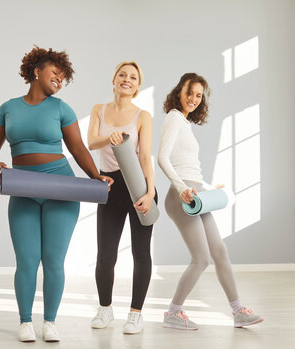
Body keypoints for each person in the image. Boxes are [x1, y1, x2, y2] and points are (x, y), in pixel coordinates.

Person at [0, 46, 113, 342]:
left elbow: (78, 148)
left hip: (60, 188)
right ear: (37, 71)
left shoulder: (61, 108)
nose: (60, 79)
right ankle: (26, 322)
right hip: (22, 188)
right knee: (27, 261)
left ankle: (50, 322)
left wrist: (96, 176)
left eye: (64, 77)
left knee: (53, 260)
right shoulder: (8, 107)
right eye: (55, 73)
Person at [158, 72, 263, 330]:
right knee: (201, 259)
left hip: (198, 195)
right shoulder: (173, 117)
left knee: (220, 252)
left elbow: (190, 168)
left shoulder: (186, 123)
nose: (193, 99)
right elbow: (162, 158)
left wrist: (208, 187)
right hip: (182, 196)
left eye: (198, 95)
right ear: (179, 91)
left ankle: (238, 311)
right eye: (189, 92)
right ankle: (173, 312)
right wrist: (183, 188)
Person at [87, 61, 157, 334]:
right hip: (109, 188)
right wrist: (111, 137)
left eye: (133, 77)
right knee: (105, 255)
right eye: (122, 75)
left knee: (141, 254)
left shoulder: (143, 116)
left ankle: (136, 314)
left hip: (138, 188)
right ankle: (105, 309)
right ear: (114, 79)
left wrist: (150, 193)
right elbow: (92, 142)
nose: (127, 79)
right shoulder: (98, 110)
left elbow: (144, 158)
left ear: (138, 86)